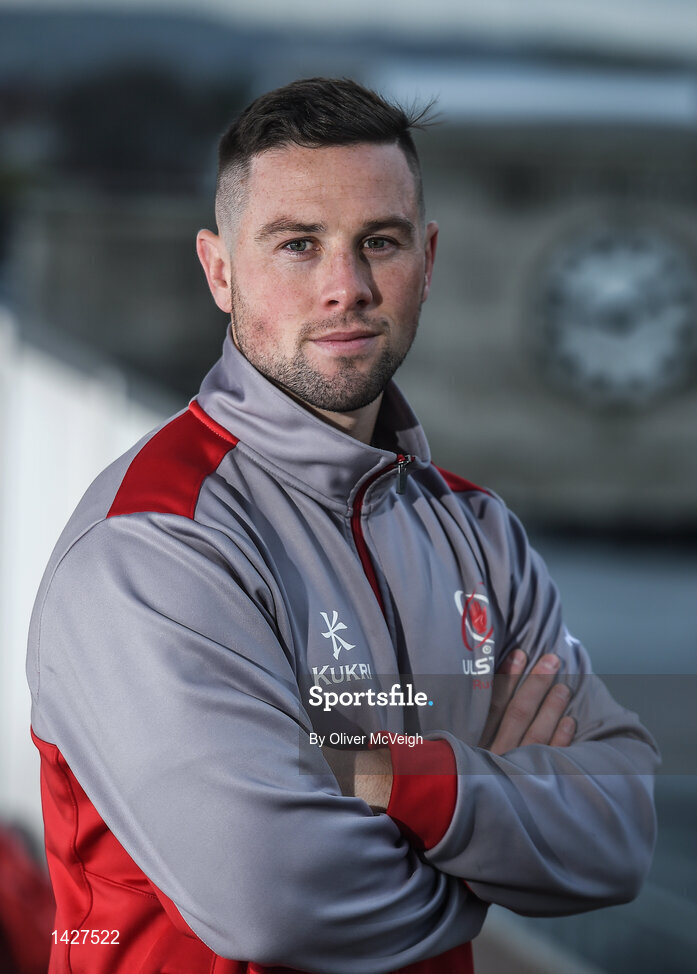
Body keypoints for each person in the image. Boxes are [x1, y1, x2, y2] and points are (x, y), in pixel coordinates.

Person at [27, 77, 659, 974]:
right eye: (297, 245)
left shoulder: (478, 531)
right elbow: (274, 901)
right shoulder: (156, 543)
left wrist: (393, 779)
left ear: (427, 260)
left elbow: (619, 830)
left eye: (380, 243)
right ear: (219, 270)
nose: (346, 288)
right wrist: (491, 844)